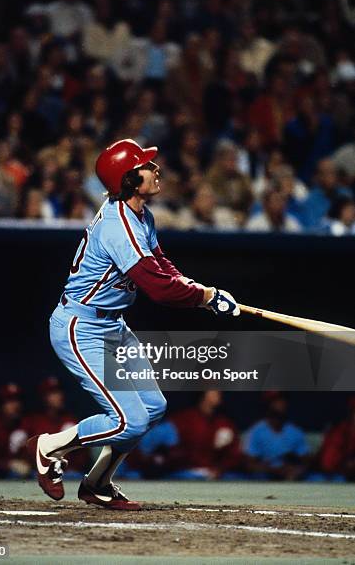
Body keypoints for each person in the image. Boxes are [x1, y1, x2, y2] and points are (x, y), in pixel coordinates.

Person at [27, 138, 240, 510]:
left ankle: (97, 484)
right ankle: (49, 446)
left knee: (152, 408)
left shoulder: (142, 215)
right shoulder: (117, 224)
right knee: (129, 420)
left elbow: (163, 266)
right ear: (128, 180)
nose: (156, 170)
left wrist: (203, 292)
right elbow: (157, 287)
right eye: (147, 166)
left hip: (112, 325)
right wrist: (205, 297)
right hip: (81, 326)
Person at [244, 391, 310, 480]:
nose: (280, 403)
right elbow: (249, 465)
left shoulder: (295, 431)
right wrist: (273, 470)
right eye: (276, 400)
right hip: (265, 477)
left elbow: (306, 461)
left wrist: (296, 470)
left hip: (290, 477)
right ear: (268, 403)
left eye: (283, 400)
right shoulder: (257, 431)